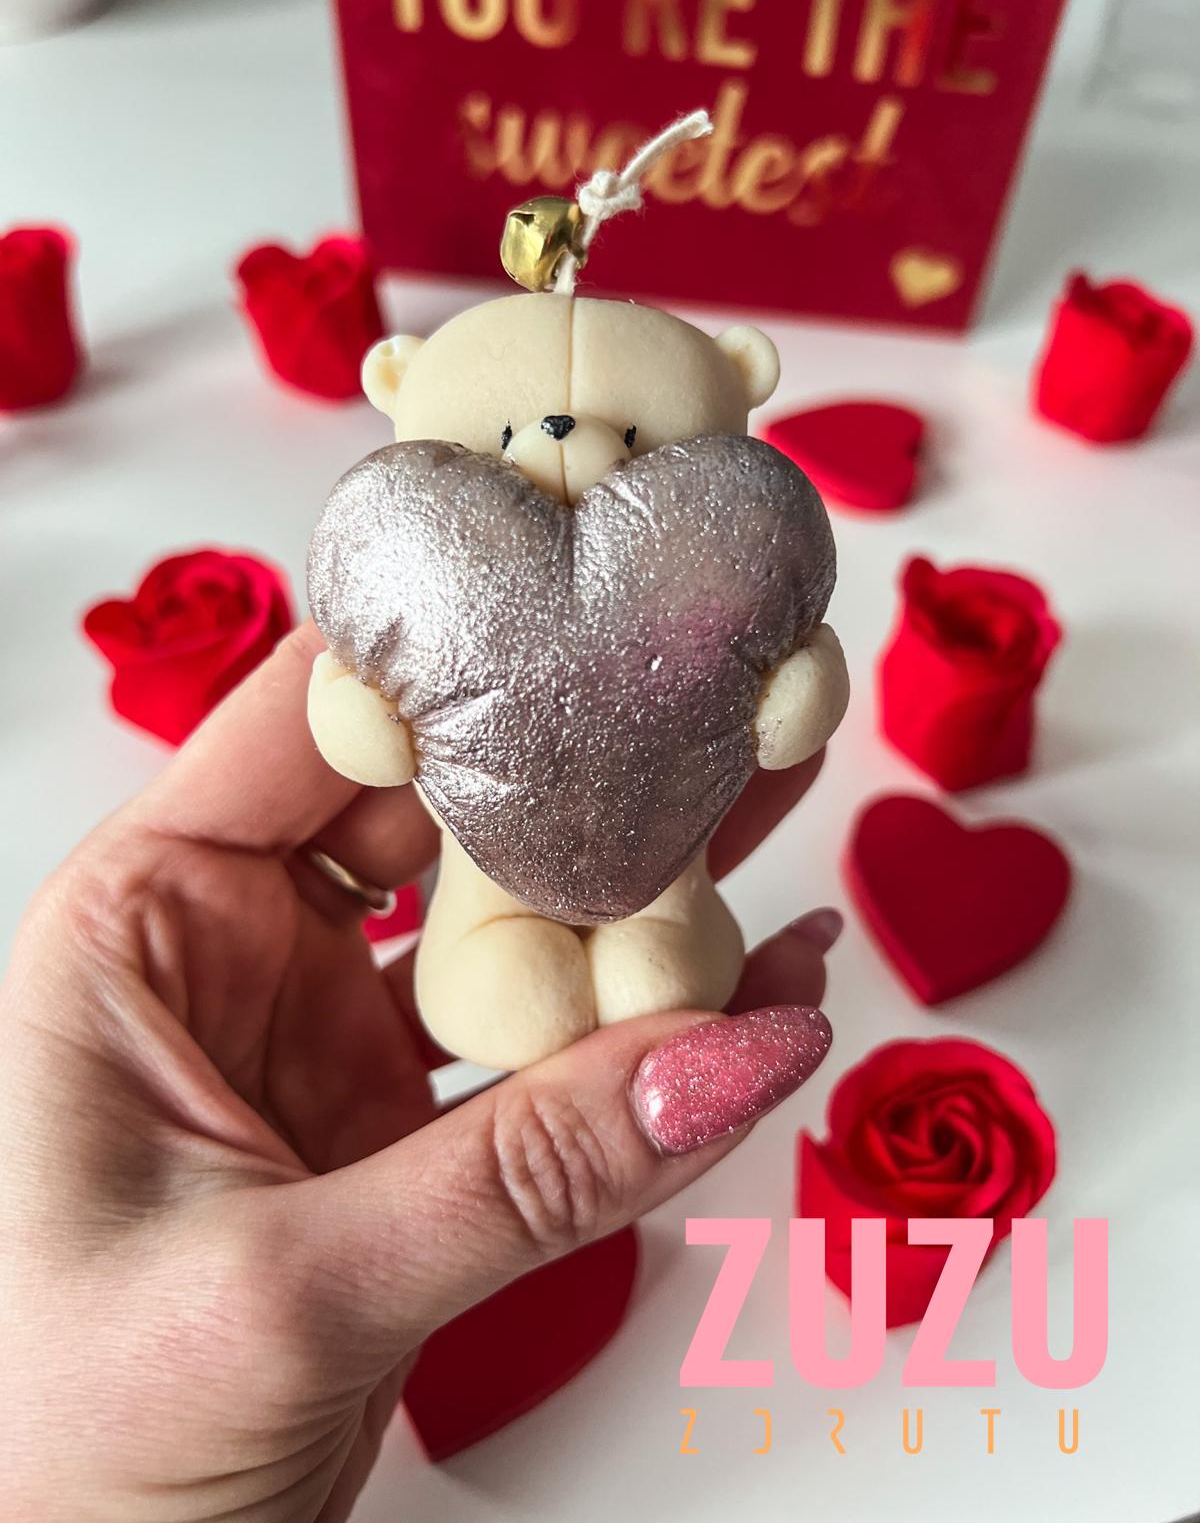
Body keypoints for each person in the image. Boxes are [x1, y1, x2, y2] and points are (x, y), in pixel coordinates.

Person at [0, 622, 841, 1521]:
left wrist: (784, 674)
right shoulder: (454, 652)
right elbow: (356, 730)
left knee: (662, 977)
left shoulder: (688, 636)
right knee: (512, 988)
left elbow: (792, 707)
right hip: (487, 912)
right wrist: (369, 680)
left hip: (664, 872)